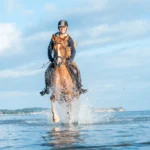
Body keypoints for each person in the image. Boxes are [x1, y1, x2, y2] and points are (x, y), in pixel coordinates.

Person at [40, 20, 88, 96]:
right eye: (60, 27)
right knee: (47, 72)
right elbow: (49, 49)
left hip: (67, 59)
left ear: (66, 28)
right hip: (56, 60)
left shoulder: (69, 38)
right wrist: (51, 59)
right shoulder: (54, 37)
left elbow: (73, 50)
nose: (61, 29)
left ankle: (79, 87)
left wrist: (70, 60)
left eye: (63, 27)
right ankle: (47, 88)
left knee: (76, 70)